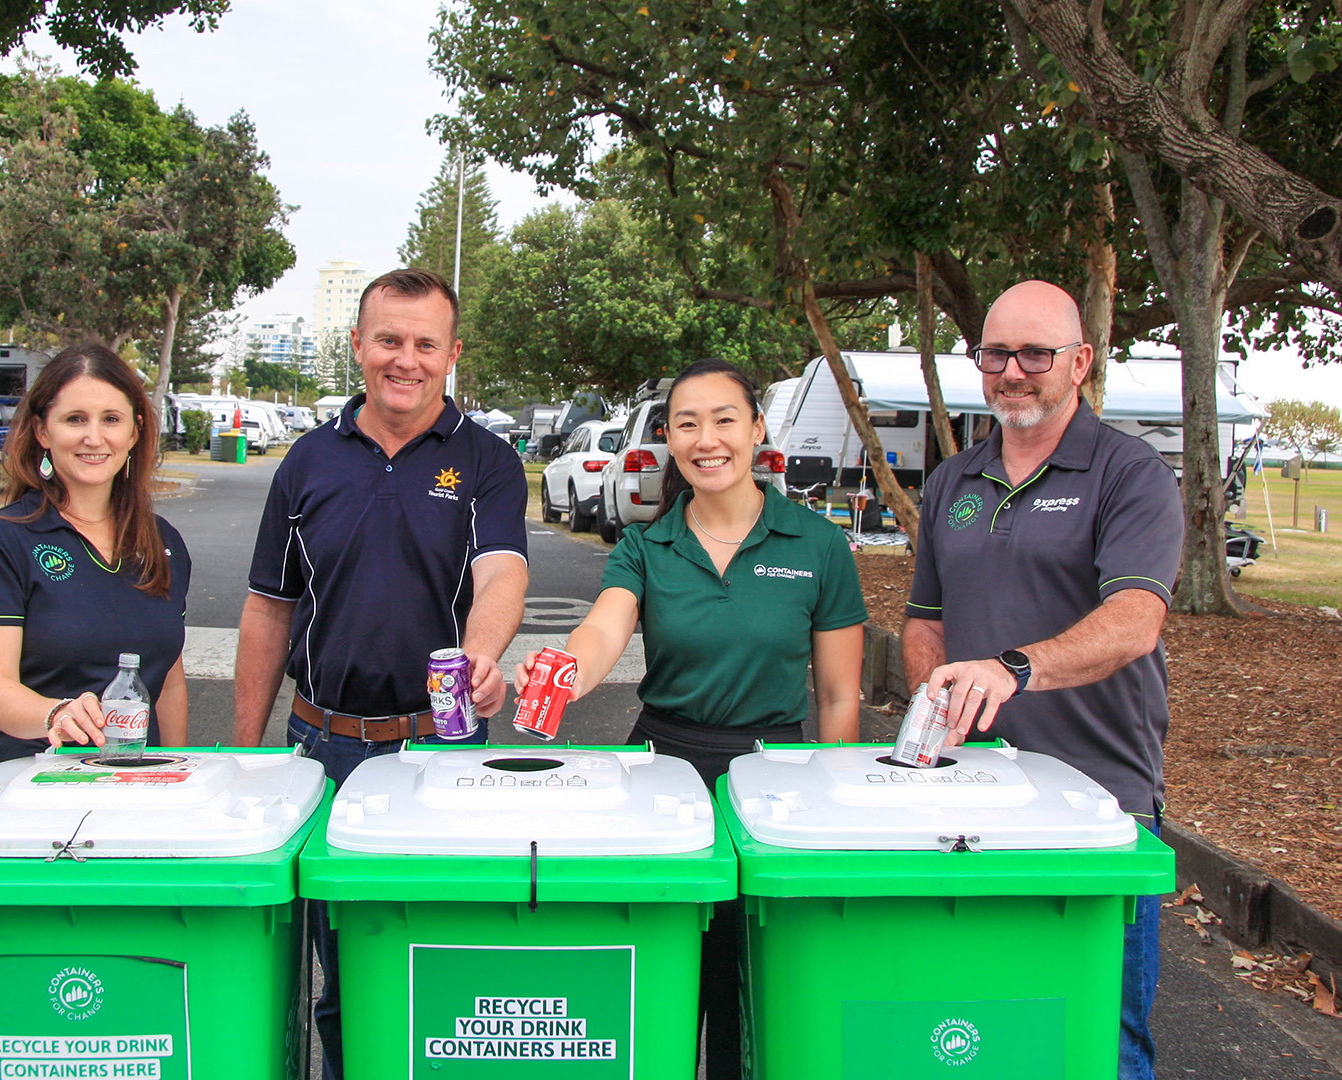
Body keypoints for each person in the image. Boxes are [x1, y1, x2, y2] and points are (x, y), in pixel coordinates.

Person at [515, 357, 866, 1079]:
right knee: (658, 980)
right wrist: (559, 675)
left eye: (724, 419)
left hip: (775, 783)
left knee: (752, 987)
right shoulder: (648, 544)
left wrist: (837, 819)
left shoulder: (820, 546)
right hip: (662, 775)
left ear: (758, 428)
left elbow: (837, 698)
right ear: (669, 439)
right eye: (687, 424)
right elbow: (603, 635)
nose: (707, 439)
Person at [234, 267, 529, 1079]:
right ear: (359, 345)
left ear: (452, 353)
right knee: (340, 976)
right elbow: (268, 608)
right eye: (389, 340)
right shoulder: (305, 463)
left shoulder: (489, 459)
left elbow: (502, 571)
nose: (407, 359)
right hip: (321, 748)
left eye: (425, 343)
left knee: (451, 961)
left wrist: (483, 653)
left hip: (443, 746)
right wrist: (246, 753)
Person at [901, 280, 1185, 1080]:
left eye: (1035, 353)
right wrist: (935, 697)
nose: (1012, 371)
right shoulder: (954, 480)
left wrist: (1014, 670)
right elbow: (925, 620)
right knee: (975, 1020)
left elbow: (1135, 622)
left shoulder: (1130, 474)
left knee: (1099, 1036)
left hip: (1099, 801)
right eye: (995, 353)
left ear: (1081, 362)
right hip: (966, 794)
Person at [0, 343, 191, 779]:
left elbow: (167, 681)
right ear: (42, 431)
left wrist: (174, 774)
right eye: (75, 419)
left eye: (110, 420)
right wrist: (56, 712)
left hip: (127, 787)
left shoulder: (163, 542)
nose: (94, 437)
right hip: (16, 786)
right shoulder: (0, 543)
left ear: (134, 433)